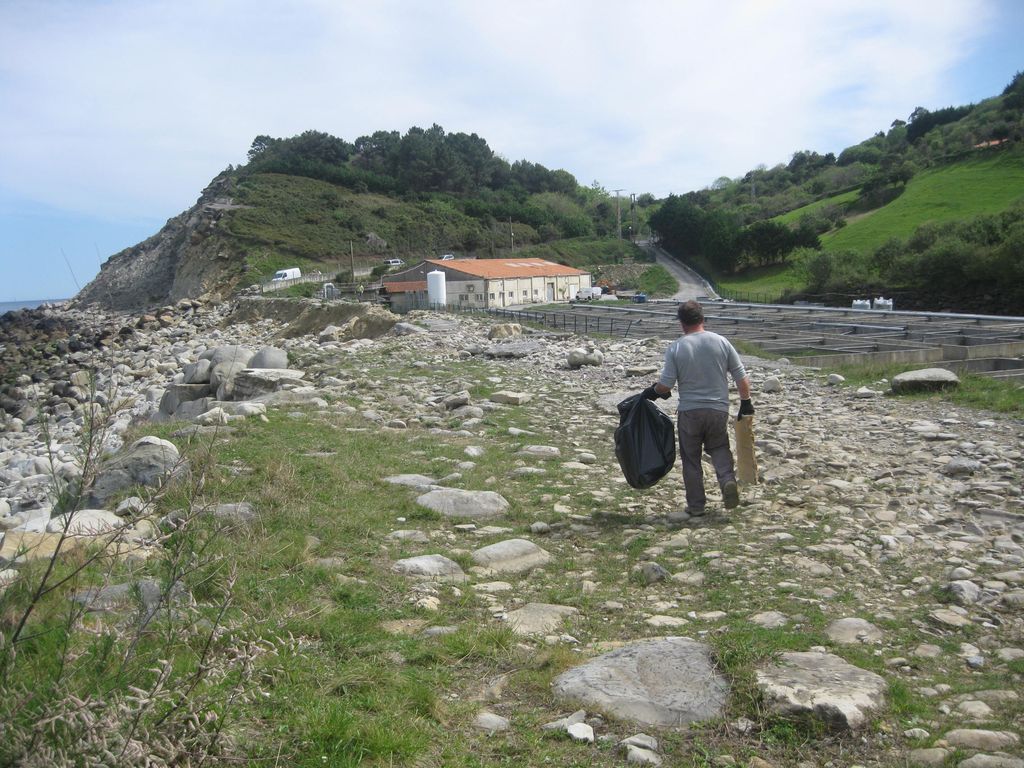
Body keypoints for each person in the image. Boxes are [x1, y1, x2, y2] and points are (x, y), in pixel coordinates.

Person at [642, 300, 753, 517]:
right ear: (703, 319)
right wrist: (746, 403)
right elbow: (741, 376)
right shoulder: (721, 342)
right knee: (720, 448)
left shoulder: (677, 347)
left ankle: (696, 506)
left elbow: (667, 384)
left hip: (690, 412)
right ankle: (727, 481)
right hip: (717, 410)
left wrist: (652, 392)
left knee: (691, 458)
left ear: (682, 323)